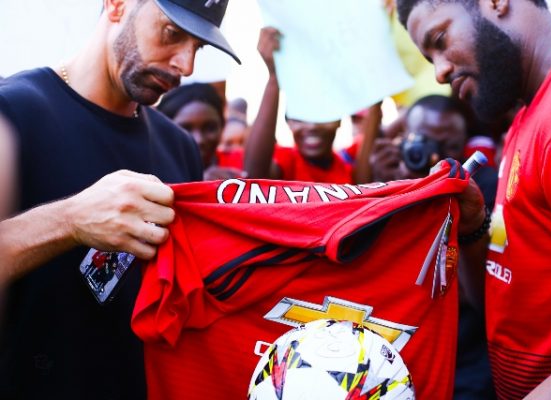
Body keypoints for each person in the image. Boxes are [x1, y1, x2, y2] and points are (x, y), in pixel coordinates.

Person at [0, 0, 239, 398]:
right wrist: (70, 221)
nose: (186, 65)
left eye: (197, 47)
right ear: (117, 5)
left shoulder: (179, 148)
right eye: (172, 33)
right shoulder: (13, 112)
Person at [397, 0, 551, 398]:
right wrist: (473, 229)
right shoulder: (530, 112)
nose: (439, 72)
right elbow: (497, 302)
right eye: (429, 58)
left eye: (440, 39)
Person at [370, 94, 497, 399]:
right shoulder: (387, 179)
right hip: (395, 356)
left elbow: (477, 289)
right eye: (423, 141)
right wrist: (385, 190)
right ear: (402, 138)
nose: (434, 156)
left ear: (464, 147)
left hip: (465, 356)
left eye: (448, 147)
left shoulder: (481, 188)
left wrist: (442, 201)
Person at [244, 27, 354, 184]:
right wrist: (274, 77)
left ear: (340, 120)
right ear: (288, 123)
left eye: (322, 116)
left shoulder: (347, 171)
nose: (312, 126)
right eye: (300, 117)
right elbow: (254, 174)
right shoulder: (287, 159)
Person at [157, 82, 246, 180]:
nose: (199, 140)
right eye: (185, 129)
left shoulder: (240, 164)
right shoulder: (152, 172)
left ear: (222, 125)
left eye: (210, 128)